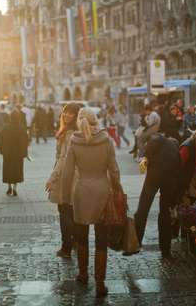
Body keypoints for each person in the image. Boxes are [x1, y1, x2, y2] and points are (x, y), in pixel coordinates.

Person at [62, 108, 121, 298]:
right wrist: (118, 188)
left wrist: (65, 197)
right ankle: (100, 283)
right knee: (101, 238)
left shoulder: (74, 141)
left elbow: (68, 172)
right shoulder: (107, 141)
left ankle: (83, 274)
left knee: (81, 236)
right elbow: (114, 170)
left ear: (80, 122)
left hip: (81, 193)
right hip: (102, 192)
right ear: (96, 120)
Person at [134, 133, 181, 259]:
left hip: (155, 175)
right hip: (170, 179)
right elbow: (179, 173)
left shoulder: (158, 138)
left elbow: (149, 148)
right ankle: (165, 250)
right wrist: (174, 200)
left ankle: (135, 243)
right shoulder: (175, 150)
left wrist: (146, 157)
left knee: (143, 208)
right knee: (165, 213)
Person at [45, 103, 81, 258]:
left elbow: (63, 159)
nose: (66, 115)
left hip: (66, 177)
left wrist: (51, 179)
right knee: (71, 211)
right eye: (65, 112)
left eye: (71, 113)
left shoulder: (69, 134)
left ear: (76, 116)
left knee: (64, 211)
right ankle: (75, 242)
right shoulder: (73, 131)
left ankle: (66, 247)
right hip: (73, 176)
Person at [0, 110, 29, 197]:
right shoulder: (21, 128)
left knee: (8, 170)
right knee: (17, 170)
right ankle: (15, 188)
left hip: (8, 153)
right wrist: (24, 153)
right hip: (18, 154)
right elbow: (26, 141)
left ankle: (9, 187)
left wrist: (2, 149)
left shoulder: (6, 127)